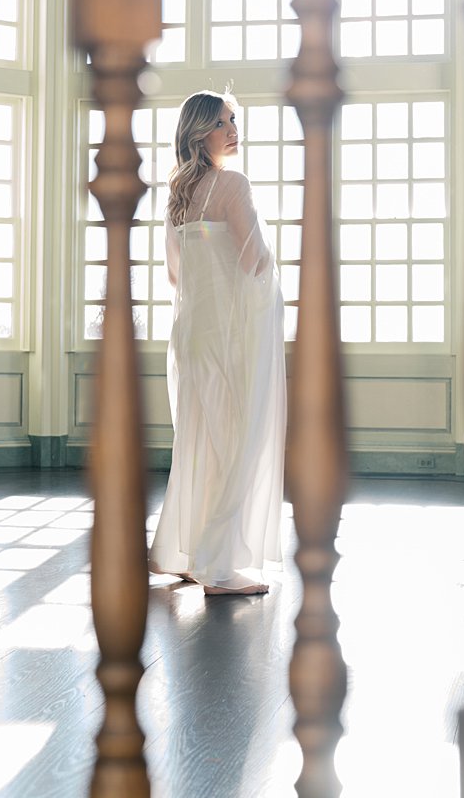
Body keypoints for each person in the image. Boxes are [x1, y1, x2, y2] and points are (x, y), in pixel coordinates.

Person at [148, 90, 287, 595]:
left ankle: (189, 553)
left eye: (235, 120)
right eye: (223, 122)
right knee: (237, 440)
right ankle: (220, 568)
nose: (234, 129)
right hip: (228, 334)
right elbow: (254, 261)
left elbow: (173, 275)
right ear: (199, 131)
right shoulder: (232, 184)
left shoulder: (177, 196)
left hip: (191, 333)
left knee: (200, 439)